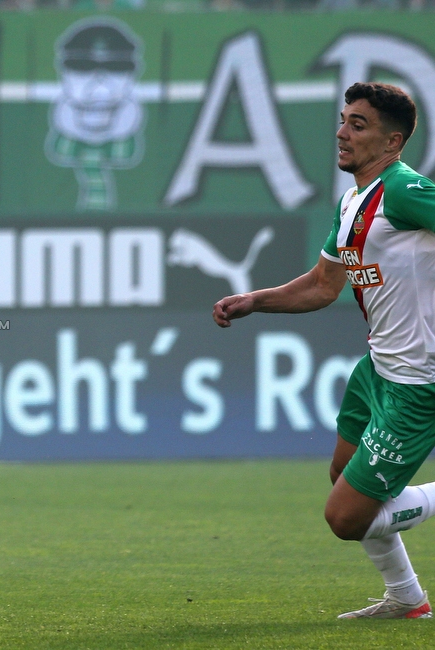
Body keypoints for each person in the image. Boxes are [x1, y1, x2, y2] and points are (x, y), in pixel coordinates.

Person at [213, 82, 435, 619]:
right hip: (378, 368)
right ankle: (406, 599)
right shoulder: (354, 200)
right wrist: (254, 301)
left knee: (346, 518)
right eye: (343, 119)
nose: (341, 132)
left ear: (393, 141)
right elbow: (322, 285)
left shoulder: (405, 191)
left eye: (359, 125)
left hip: (417, 382)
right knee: (344, 477)